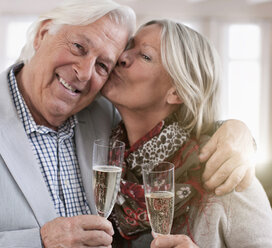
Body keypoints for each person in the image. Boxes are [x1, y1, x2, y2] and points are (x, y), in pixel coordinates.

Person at [0, 0, 257, 247]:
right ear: (43, 34)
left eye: (104, 63)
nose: (86, 73)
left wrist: (238, 132)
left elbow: (180, 128)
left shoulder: (104, 115)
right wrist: (37, 242)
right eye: (78, 46)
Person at [100, 19, 272, 247]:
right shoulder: (104, 162)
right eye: (130, 46)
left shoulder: (224, 171)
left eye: (145, 56)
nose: (122, 56)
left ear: (176, 92)